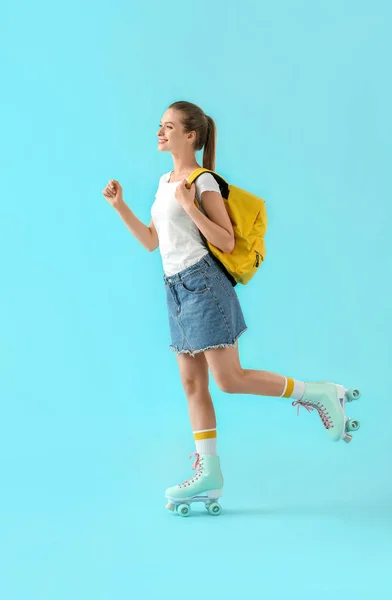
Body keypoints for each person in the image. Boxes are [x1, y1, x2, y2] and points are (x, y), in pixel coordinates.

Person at [102, 100, 359, 515]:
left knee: (229, 379)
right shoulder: (165, 180)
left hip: (203, 286)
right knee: (192, 385)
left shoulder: (202, 182)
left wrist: (189, 207)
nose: (159, 133)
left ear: (191, 136)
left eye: (168, 127)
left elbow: (225, 240)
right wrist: (120, 208)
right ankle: (209, 473)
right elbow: (153, 241)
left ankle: (320, 394)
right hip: (175, 289)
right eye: (159, 126)